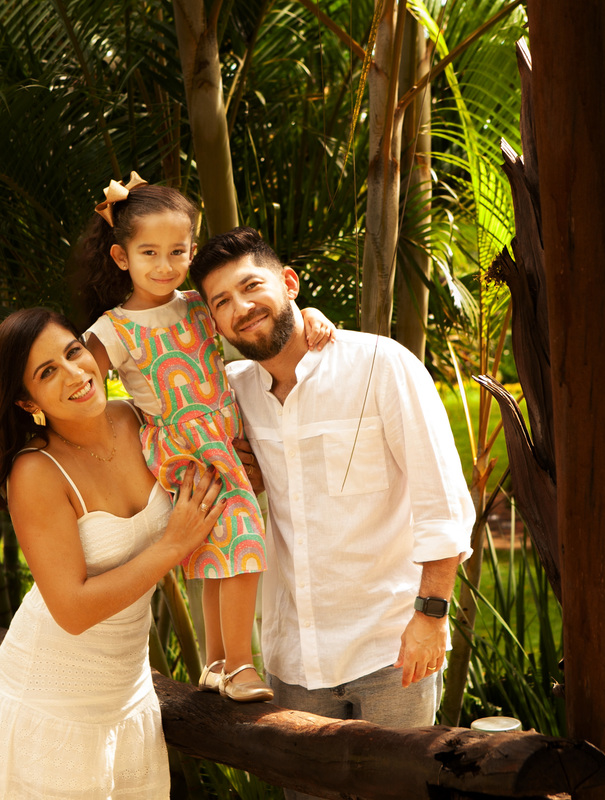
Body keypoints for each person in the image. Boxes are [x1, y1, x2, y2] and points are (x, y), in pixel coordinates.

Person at [190, 227, 475, 800]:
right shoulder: (231, 393)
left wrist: (432, 613)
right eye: (221, 302)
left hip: (391, 646)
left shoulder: (379, 364)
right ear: (213, 322)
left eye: (251, 287)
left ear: (289, 283)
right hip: (293, 657)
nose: (241, 309)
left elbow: (440, 497)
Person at [78, 172, 335, 702]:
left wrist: (309, 312)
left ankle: (218, 660)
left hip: (222, 435)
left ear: (192, 250)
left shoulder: (199, 303)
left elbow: (261, 322)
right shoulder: (113, 328)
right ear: (122, 257)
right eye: (149, 252)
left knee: (217, 547)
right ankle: (242, 664)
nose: (165, 264)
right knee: (242, 538)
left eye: (177, 251)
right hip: (184, 447)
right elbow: (81, 379)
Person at [0, 308, 226, 799]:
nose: (75, 374)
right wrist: (173, 544)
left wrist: (239, 471)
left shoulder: (139, 419)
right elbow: (72, 608)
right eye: (47, 373)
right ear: (26, 401)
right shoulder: (36, 473)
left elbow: (214, 418)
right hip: (48, 704)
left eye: (73, 352)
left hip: (127, 698)